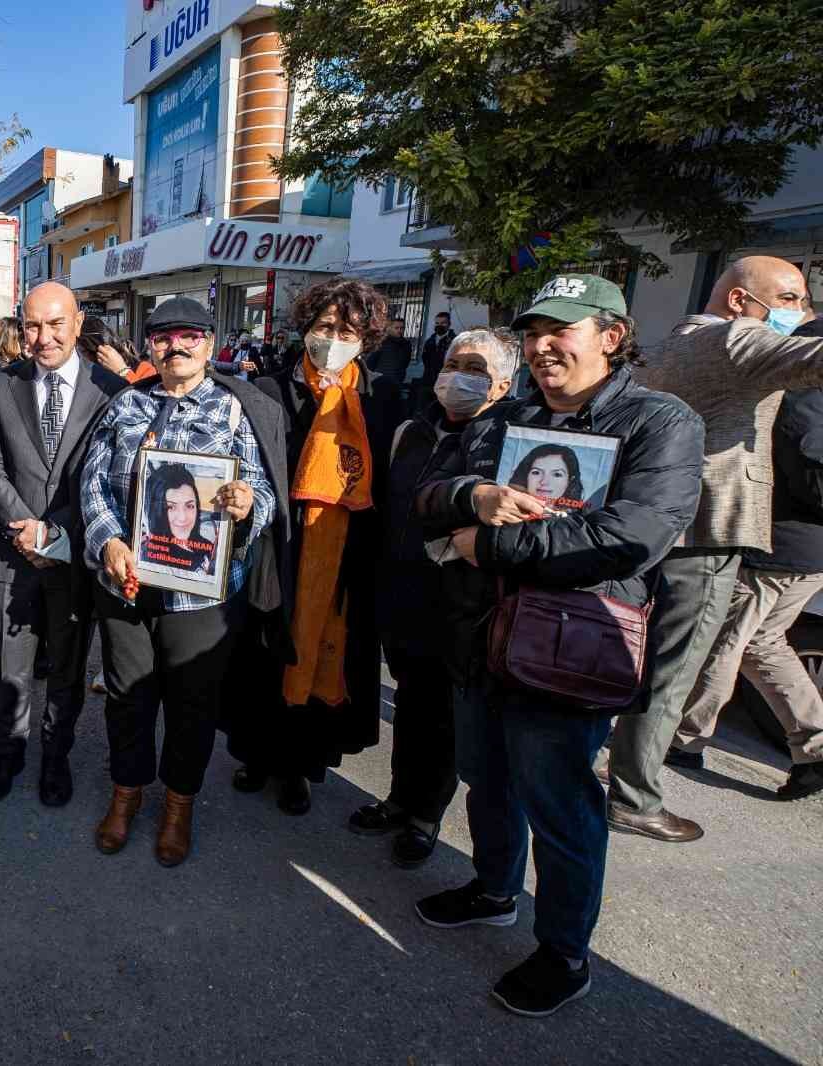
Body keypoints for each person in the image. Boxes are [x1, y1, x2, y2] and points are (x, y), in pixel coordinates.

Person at [412, 273, 704, 1017]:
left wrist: (494, 545)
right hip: (480, 638)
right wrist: (472, 498)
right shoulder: (502, 416)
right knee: (487, 778)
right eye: (534, 331)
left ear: (611, 336)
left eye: (562, 330)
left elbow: (633, 535)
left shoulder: (659, 422)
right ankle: (494, 888)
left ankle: (564, 950)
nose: (544, 346)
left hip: (572, 648)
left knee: (562, 806)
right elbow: (425, 495)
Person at [605, 256, 823, 842]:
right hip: (706, 533)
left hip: (656, 524)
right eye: (790, 297)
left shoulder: (675, 340)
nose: (801, 312)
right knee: (671, 674)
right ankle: (634, 796)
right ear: (737, 300)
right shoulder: (737, 339)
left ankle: (617, 773)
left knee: (637, 658)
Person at [81, 296, 280, 867]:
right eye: (165, 336)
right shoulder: (125, 405)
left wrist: (248, 503)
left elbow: (263, 492)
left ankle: (178, 805)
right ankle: (126, 794)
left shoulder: (237, 408)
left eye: (190, 335)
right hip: (128, 582)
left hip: (201, 592)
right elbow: (93, 483)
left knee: (192, 703)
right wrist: (109, 542)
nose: (177, 345)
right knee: (127, 695)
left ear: (209, 343)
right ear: (150, 346)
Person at [225, 277, 403, 816]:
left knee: (326, 647)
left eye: (346, 329)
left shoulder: (381, 397)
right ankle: (258, 755)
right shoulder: (270, 391)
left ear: (365, 337)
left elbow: (391, 483)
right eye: (324, 327)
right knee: (263, 650)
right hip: (277, 545)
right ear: (305, 329)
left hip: (345, 552)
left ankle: (300, 766)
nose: (332, 338)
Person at [347, 328, 519, 868]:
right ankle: (400, 799)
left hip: (463, 608)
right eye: (452, 363)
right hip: (402, 597)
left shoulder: (507, 440)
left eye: (475, 367)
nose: (458, 375)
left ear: (503, 383)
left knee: (444, 719)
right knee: (412, 706)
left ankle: (425, 817)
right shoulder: (411, 431)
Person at [0, 281, 123, 806]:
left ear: (78, 324)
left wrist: (53, 535)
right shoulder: (0, 384)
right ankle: (8, 751)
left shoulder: (111, 391)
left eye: (56, 323)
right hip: (11, 554)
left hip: (73, 555)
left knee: (66, 667)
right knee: (8, 668)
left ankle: (55, 756)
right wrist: (26, 527)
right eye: (33, 325)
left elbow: (104, 479)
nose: (43, 337)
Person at [670, 367, 823, 801]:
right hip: (806, 551)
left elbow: (807, 456)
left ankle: (682, 740)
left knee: (722, 641)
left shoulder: (802, 390)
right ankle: (814, 747)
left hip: (781, 548)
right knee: (762, 643)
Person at [141, 463, 216, 573]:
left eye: (189, 506)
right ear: (157, 513)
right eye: (171, 507)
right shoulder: (152, 559)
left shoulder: (208, 547)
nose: (182, 517)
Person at [510, 443, 585, 509]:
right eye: (536, 472)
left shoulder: (577, 522)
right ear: (526, 476)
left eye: (557, 474)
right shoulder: (503, 510)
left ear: (570, 480)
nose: (544, 482)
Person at [416, 311, 457, 410]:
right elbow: (425, 359)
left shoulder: (454, 341)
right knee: (423, 410)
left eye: (443, 323)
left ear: (449, 324)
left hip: (445, 383)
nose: (439, 325)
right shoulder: (430, 341)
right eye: (437, 323)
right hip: (428, 381)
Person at [370, 317, 413, 382]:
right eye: (396, 328)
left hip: (397, 381)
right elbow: (372, 361)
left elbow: (405, 362)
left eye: (402, 328)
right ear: (390, 328)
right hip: (380, 379)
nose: (399, 330)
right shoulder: (382, 342)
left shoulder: (406, 344)